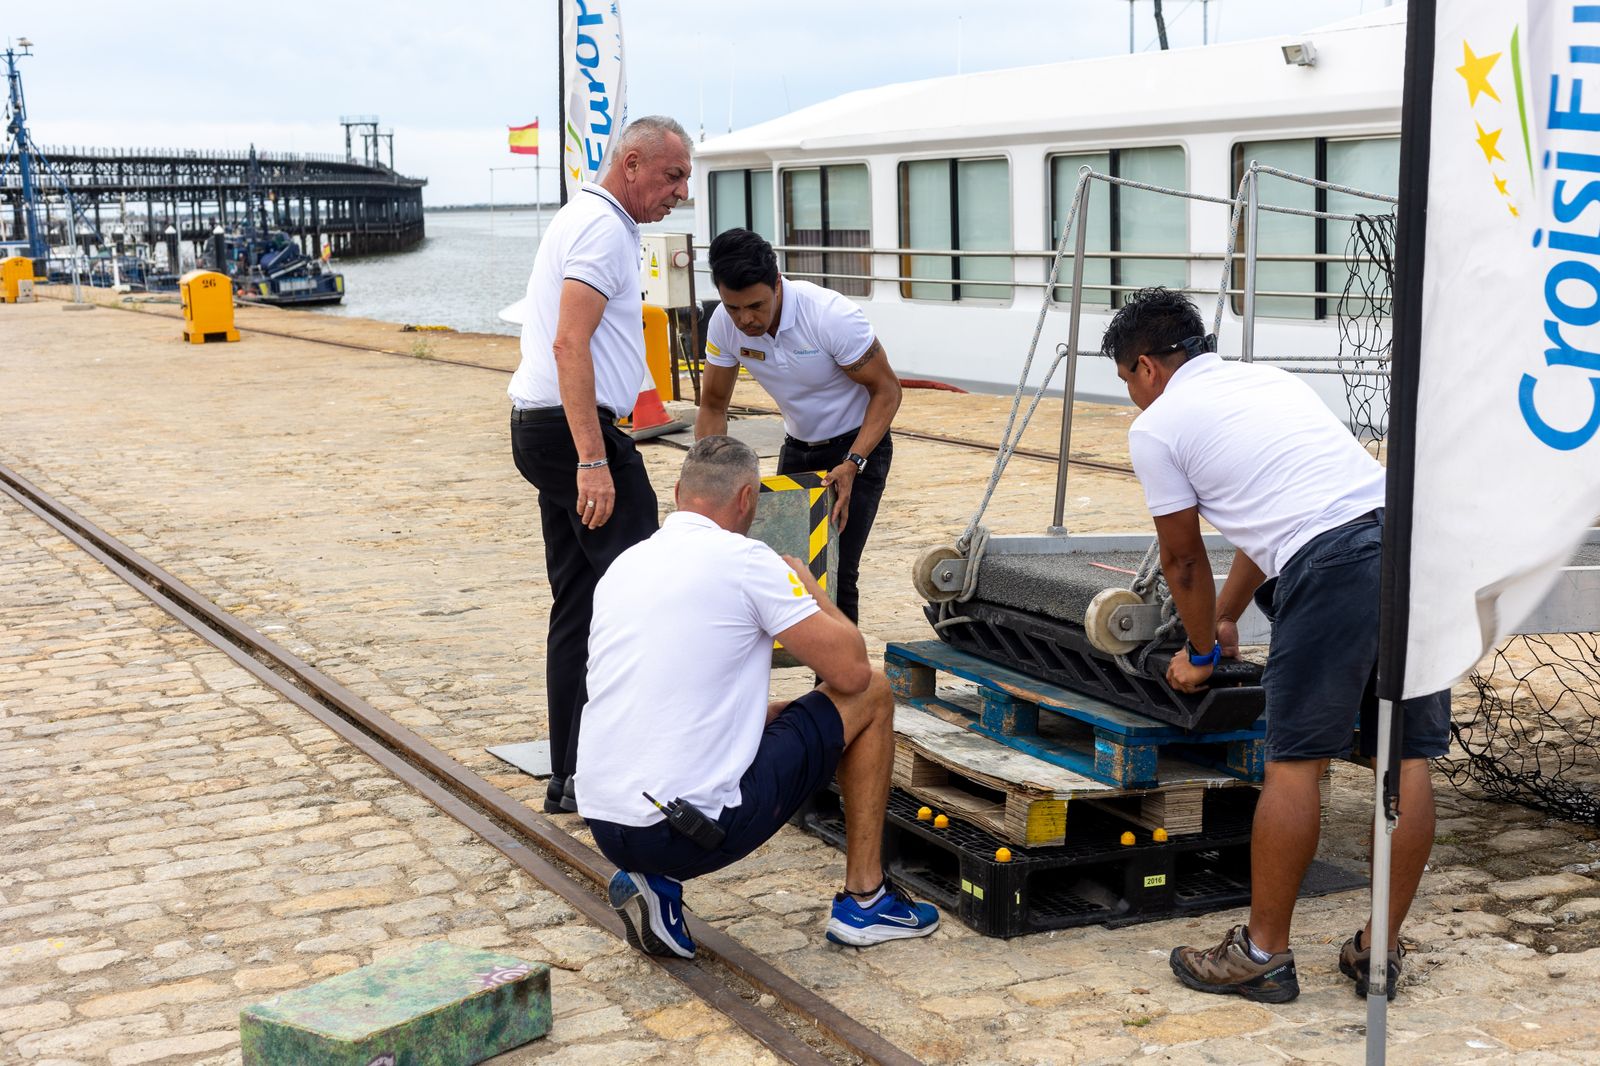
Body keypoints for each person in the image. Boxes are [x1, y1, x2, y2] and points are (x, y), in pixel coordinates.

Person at [1100, 287, 1450, 1004]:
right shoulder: (1268, 381)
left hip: (1334, 565)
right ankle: (1377, 952)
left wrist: (1199, 654)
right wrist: (1228, 617)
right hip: (1410, 544)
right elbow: (1277, 512)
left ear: (1145, 367)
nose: (1133, 398)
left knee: (1294, 762)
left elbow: (1183, 561)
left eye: (1126, 383)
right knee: (1405, 754)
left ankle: (1261, 954)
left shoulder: (1159, 427)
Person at [574, 435, 940, 957]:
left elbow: (673, 699)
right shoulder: (749, 562)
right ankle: (866, 899)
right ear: (748, 498)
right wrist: (808, 584)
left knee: (785, 714)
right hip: (687, 830)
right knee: (876, 694)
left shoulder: (627, 564)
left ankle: (655, 886)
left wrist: (771, 715)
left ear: (678, 492)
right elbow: (852, 674)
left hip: (611, 826)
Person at [508, 116, 693, 814]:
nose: (680, 191)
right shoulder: (603, 228)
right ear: (633, 162)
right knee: (645, 596)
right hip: (572, 433)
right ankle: (635, 773)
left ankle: (573, 774)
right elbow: (569, 344)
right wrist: (593, 457)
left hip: (547, 427)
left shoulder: (593, 219)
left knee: (580, 604)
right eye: (672, 176)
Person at [694, 228, 902, 625]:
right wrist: (709, 475)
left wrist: (853, 462)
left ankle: (841, 687)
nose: (745, 319)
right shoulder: (725, 324)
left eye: (755, 305)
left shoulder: (828, 316)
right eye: (733, 307)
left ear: (777, 283)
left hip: (858, 447)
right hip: (798, 445)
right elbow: (714, 405)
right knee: (783, 572)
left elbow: (888, 392)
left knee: (838, 571)